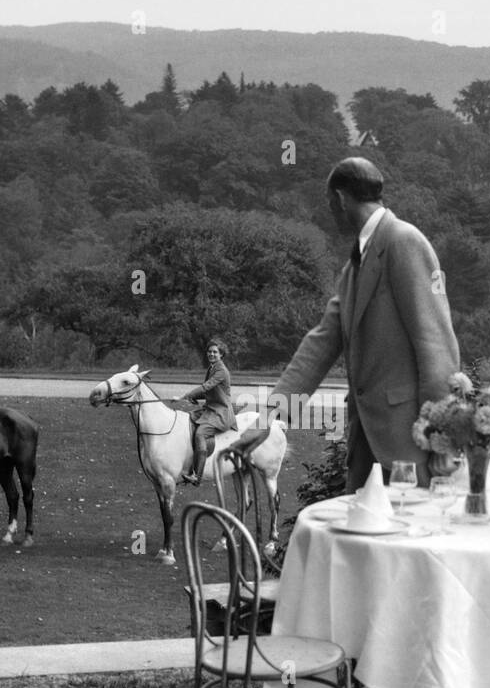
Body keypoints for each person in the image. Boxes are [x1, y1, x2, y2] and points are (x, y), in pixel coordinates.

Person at [266, 157, 460, 492]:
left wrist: (441, 437)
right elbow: (322, 342)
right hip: (367, 446)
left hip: (409, 445)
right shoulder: (356, 263)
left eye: (330, 203)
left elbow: (437, 346)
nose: (331, 211)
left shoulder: (404, 241)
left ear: (341, 199)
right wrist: (272, 417)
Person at [180, 338, 237, 485]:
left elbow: (206, 387)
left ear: (221, 354)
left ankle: (196, 476)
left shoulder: (221, 371)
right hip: (210, 409)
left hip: (221, 412)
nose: (211, 354)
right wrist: (191, 398)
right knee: (187, 419)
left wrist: (188, 395)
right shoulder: (212, 368)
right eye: (209, 352)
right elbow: (207, 392)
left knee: (200, 434)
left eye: (215, 352)